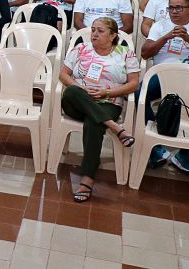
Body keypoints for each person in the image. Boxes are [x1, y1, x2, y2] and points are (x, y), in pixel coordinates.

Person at [59, 17, 139, 202]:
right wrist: (83, 89)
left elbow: (133, 84)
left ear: (113, 35)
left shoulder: (125, 53)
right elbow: (63, 74)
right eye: (93, 30)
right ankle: (114, 126)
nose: (94, 34)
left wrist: (106, 92)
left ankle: (87, 178)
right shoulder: (80, 49)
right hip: (77, 101)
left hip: (109, 101)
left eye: (100, 31)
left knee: (93, 123)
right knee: (72, 90)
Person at [141, 0, 189, 176]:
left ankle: (186, 156)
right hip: (162, 76)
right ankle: (155, 150)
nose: (174, 12)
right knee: (138, 94)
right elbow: (145, 53)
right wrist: (165, 37)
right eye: (171, 8)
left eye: (179, 8)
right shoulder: (159, 26)